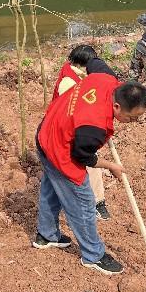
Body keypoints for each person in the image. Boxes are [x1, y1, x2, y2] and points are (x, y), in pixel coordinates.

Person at [34, 70, 146, 275]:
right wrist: (111, 166)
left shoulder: (104, 78)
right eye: (131, 118)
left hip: (47, 131)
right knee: (84, 203)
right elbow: (81, 156)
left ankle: (46, 236)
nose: (133, 122)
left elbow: (95, 62)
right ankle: (93, 255)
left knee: (52, 189)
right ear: (117, 106)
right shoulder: (94, 127)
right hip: (60, 148)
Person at [52, 44, 112, 220]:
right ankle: (91, 204)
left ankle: (97, 201)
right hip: (67, 131)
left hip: (77, 128)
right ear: (81, 64)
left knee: (89, 164)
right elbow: (71, 110)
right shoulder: (68, 81)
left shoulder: (79, 75)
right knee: (85, 164)